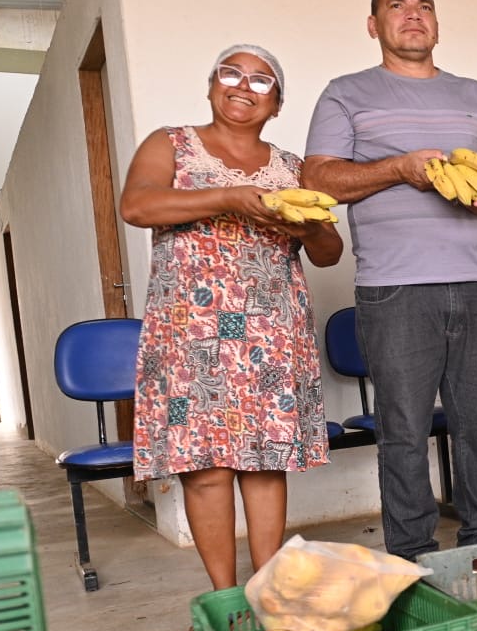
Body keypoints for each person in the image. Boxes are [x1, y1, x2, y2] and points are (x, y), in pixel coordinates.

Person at [303, 0, 477, 558]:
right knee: (403, 433)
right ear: (374, 25)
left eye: (425, 5)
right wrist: (397, 168)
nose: (413, 15)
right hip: (394, 289)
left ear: (437, 24)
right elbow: (319, 178)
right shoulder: (345, 93)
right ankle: (412, 558)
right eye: (396, 6)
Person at [120, 44, 344, 598]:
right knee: (206, 468)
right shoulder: (170, 144)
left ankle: (267, 591)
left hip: (270, 332)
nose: (243, 86)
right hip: (190, 333)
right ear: (211, 85)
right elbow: (138, 206)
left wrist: (303, 223)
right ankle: (224, 597)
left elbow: (329, 252)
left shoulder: (293, 168)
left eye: (261, 80)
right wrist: (231, 199)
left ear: (278, 103)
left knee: (264, 464)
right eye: (230, 73)